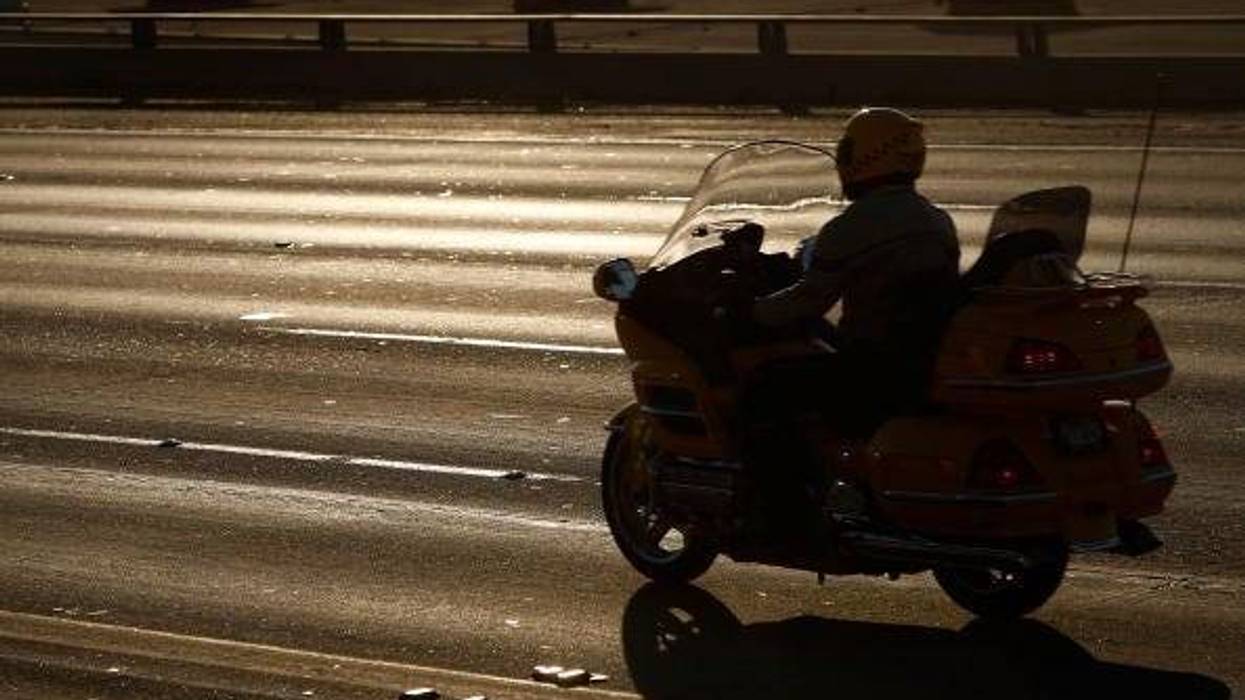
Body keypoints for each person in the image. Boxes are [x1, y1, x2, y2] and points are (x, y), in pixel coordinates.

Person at [748, 106, 961, 442]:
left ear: (865, 156)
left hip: (869, 368)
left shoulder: (850, 228)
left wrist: (748, 311)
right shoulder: (938, 221)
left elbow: (808, 301)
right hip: (920, 364)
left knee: (762, 386)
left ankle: (780, 475)